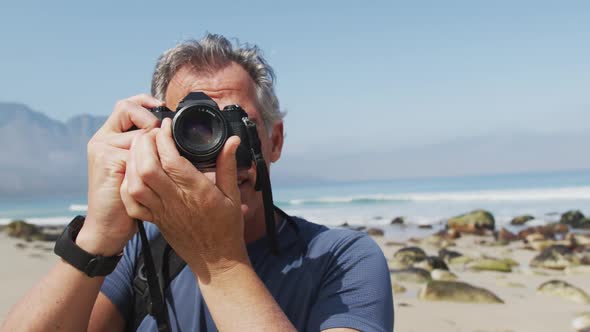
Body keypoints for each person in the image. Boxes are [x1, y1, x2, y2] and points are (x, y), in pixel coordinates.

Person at [1, 33, 393, 332]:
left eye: (239, 125)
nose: (222, 148)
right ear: (158, 138)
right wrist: (97, 238)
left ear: (275, 141)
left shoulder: (343, 260)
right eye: (195, 129)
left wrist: (219, 261)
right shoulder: (141, 253)